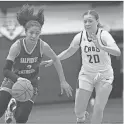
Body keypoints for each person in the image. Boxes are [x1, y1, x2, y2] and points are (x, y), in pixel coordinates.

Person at [41, 10, 121, 124]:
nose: (87, 23)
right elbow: (69, 52)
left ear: (97, 21)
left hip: (104, 76)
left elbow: (117, 52)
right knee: (78, 111)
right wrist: (54, 60)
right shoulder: (80, 36)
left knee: (98, 109)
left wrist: (101, 46)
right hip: (86, 75)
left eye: (90, 21)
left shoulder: (104, 35)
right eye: (85, 21)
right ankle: (81, 117)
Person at [0, 4, 73, 124]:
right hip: (12, 80)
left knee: (21, 119)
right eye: (31, 33)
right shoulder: (17, 46)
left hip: (31, 84)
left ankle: (12, 108)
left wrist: (63, 81)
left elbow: (56, 59)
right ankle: (10, 105)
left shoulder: (43, 46)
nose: (34, 36)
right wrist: (18, 79)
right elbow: (6, 70)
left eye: (37, 33)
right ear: (25, 32)